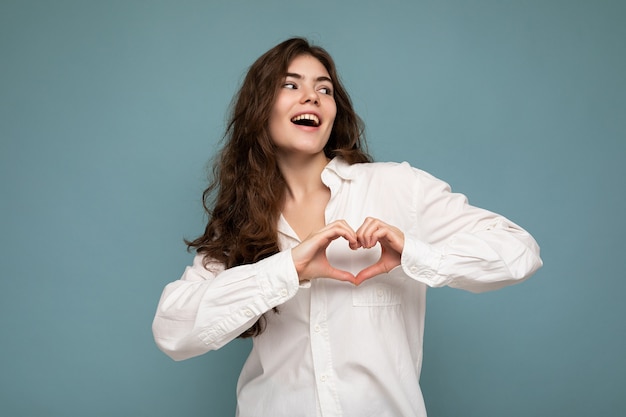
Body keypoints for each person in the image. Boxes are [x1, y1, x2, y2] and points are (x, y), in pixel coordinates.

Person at [152, 37, 542, 417]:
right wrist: (286, 270)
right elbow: (173, 330)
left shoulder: (396, 188)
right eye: (291, 85)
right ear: (259, 109)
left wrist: (413, 253)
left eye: (325, 89)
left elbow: (519, 251)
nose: (312, 96)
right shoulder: (242, 222)